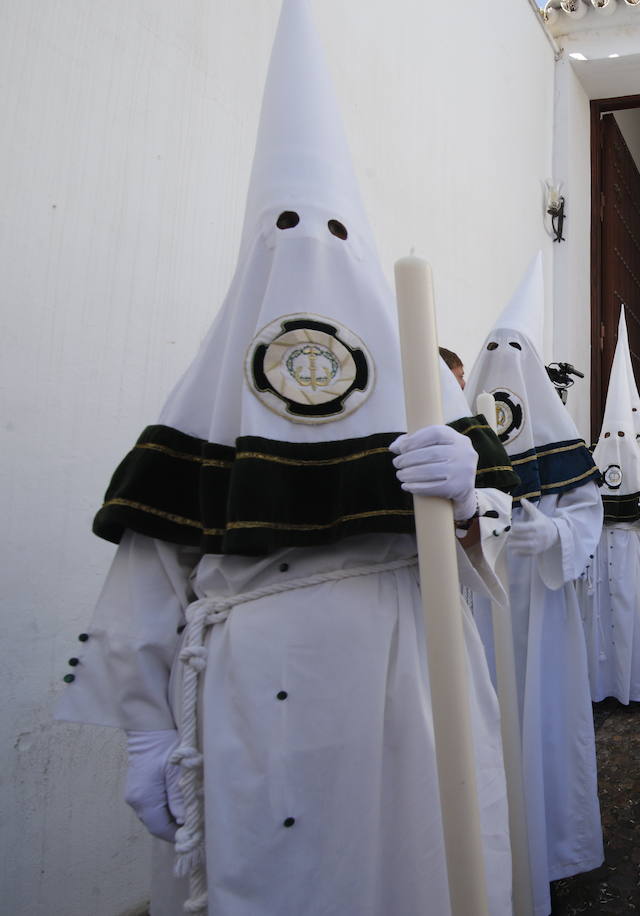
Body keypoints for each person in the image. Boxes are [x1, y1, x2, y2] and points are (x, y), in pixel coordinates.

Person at [53, 2, 519, 912]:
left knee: (417, 868)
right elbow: (149, 572)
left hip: (406, 682)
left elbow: (498, 533)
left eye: (333, 233)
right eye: (287, 228)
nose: (311, 252)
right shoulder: (208, 395)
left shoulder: (422, 381)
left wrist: (472, 501)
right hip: (250, 699)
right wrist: (145, 730)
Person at [466, 252, 605, 913]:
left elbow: (586, 511)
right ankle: (482, 853)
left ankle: (545, 848)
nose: (503, 361)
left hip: (541, 605)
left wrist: (552, 536)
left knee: (541, 721)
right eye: (492, 350)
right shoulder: (459, 437)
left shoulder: (561, 442)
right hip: (475, 601)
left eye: (515, 349)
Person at [586, 310, 640, 704]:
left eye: (623, 434)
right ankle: (602, 688)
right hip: (601, 551)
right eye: (610, 435)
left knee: (632, 614)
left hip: (633, 547)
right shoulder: (593, 460)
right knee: (600, 619)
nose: (616, 441)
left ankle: (633, 687)